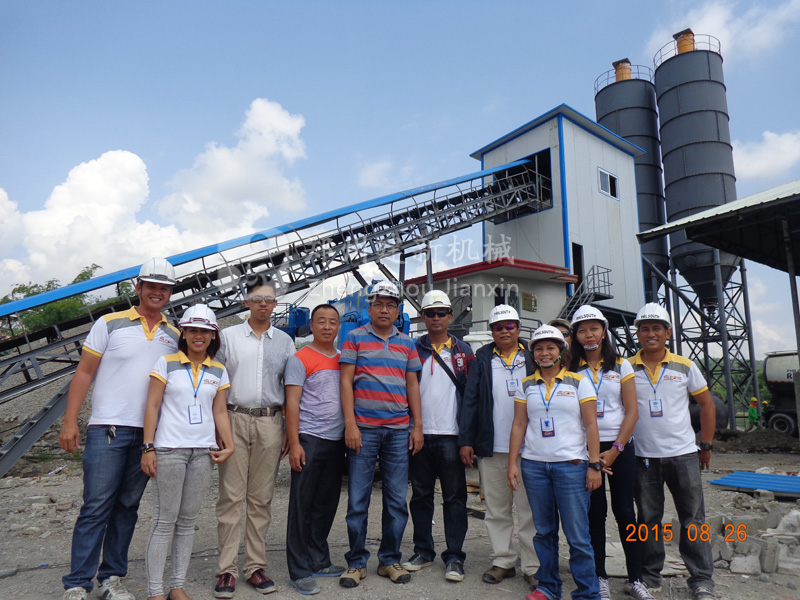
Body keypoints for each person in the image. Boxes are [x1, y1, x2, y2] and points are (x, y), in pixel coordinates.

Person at [58, 258, 179, 600]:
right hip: (107, 428)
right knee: (96, 506)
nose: (158, 292)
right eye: (151, 286)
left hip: (148, 434)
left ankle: (111, 577)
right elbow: (84, 372)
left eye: (164, 288)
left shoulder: (174, 335)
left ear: (170, 293)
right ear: (138, 288)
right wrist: (70, 420)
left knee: (127, 506)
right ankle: (78, 583)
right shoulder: (109, 324)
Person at [141, 304, 235, 600]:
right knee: (164, 521)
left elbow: (219, 411)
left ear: (213, 336)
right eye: (193, 330)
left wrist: (229, 444)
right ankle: (155, 591)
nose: (198, 336)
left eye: (205, 331)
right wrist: (148, 447)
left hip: (202, 453)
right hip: (169, 450)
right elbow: (152, 406)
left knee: (187, 523)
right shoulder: (165, 363)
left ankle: (176, 586)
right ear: (183, 333)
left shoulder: (218, 370)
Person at [213, 275, 295, 598]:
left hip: (270, 422)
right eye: (257, 299)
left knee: (261, 499)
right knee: (231, 498)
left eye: (269, 299)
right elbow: (216, 383)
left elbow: (290, 388)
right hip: (234, 418)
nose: (264, 304)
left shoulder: (285, 342)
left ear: (275, 304)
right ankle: (227, 570)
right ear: (246, 302)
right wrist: (217, 428)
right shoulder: (228, 337)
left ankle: (255, 566)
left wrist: (288, 429)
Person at [338, 281, 423, 588]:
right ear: (370, 308)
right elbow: (345, 382)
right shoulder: (355, 338)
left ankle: (389, 560)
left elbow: (412, 385)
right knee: (358, 501)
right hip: (364, 430)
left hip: (398, 431)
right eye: (378, 304)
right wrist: (350, 424)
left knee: (396, 500)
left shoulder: (407, 343)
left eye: (390, 305)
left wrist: (417, 426)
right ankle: (356, 563)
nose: (384, 310)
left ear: (398, 311)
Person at [508, 325, 603, 600]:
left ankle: (588, 592)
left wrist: (594, 464)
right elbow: (518, 424)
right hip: (535, 466)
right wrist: (512, 463)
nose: (545, 353)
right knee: (544, 532)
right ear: (533, 354)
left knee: (577, 535)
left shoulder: (579, 382)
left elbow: (591, 424)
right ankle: (548, 587)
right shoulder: (526, 384)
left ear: (561, 351)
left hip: (571, 466)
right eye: (539, 348)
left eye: (551, 347)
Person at [629, 303, 716, 600]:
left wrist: (706, 444)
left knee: (692, 518)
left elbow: (707, 405)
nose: (650, 334)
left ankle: (702, 579)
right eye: (644, 329)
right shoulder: (626, 368)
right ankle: (650, 575)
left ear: (668, 333)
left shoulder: (684, 365)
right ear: (638, 334)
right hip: (643, 456)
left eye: (657, 328)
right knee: (647, 518)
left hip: (683, 455)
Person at [569, 306, 652, 600]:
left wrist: (616, 449)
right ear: (575, 336)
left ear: (604, 332)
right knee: (595, 513)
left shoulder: (621, 365)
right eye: (582, 330)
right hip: (586, 449)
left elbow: (632, 412)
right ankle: (600, 577)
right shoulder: (570, 368)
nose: (588, 335)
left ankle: (636, 579)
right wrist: (593, 455)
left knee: (626, 512)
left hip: (619, 448)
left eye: (594, 328)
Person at [459, 305, 539, 590]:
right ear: (492, 332)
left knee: (529, 510)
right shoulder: (482, 358)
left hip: (529, 447)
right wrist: (466, 440)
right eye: (498, 327)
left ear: (518, 328)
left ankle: (533, 566)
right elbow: (470, 400)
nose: (504, 331)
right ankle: (503, 560)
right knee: (496, 508)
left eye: (509, 326)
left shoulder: (534, 356)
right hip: (491, 446)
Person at [403, 290, 474, 582]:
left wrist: (467, 438)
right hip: (419, 434)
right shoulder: (412, 349)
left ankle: (454, 556)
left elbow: (471, 398)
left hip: (451, 436)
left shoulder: (464, 352)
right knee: (420, 496)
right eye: (430, 313)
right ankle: (423, 551)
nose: (436, 318)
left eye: (441, 313)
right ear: (423, 317)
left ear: (450, 316)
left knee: (455, 498)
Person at [284, 304, 347, 595]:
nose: (327, 327)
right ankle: (299, 570)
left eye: (332, 322)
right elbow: (292, 403)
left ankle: (319, 560)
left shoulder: (343, 358)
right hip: (309, 438)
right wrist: (295, 443)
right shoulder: (300, 359)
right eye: (321, 321)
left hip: (336, 441)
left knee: (325, 504)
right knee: (301, 506)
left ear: (338, 327)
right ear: (311, 325)